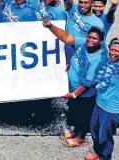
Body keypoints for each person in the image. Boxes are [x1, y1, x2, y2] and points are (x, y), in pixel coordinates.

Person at [42, 20, 107, 148]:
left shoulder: (98, 59)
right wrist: (50, 26)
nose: (90, 40)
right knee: (74, 113)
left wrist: (73, 95)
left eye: (95, 38)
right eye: (89, 36)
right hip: (73, 90)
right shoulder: (84, 44)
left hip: (84, 95)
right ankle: (75, 131)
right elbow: (66, 37)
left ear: (100, 42)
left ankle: (81, 137)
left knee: (83, 116)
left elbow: (87, 83)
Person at [86, 32, 119, 160]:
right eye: (111, 49)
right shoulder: (108, 62)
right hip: (99, 104)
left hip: (112, 110)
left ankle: (105, 158)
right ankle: (97, 153)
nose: (113, 52)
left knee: (105, 137)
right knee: (94, 130)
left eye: (117, 51)